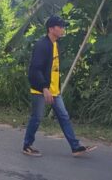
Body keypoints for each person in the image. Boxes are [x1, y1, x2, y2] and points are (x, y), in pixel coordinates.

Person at [22, 15, 95, 157]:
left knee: (64, 116)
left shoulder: (55, 44)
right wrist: (44, 88)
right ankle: (27, 145)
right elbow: (34, 70)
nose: (63, 29)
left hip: (54, 90)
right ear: (51, 29)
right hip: (41, 89)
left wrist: (52, 88)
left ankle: (75, 147)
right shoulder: (42, 45)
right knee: (36, 118)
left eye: (63, 27)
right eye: (60, 27)